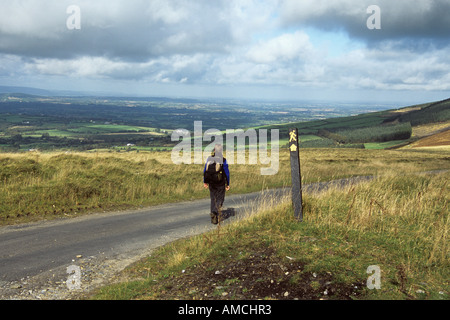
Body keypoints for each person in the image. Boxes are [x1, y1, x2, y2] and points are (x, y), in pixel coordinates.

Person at [203, 144, 230, 225]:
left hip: (211, 182)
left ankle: (213, 216)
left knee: (213, 198)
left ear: (214, 150)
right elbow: (227, 173)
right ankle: (215, 211)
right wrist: (227, 183)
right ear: (221, 151)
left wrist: (205, 181)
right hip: (220, 183)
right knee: (220, 199)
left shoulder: (209, 158)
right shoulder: (223, 160)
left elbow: (205, 170)